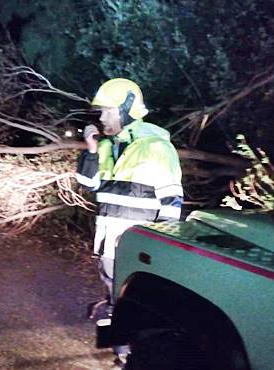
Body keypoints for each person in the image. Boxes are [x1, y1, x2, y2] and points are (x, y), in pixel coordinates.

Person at [76, 78, 183, 367]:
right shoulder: (110, 146)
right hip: (109, 246)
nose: (101, 118)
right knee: (114, 302)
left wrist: (163, 253)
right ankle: (122, 355)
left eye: (106, 111)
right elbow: (87, 183)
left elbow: (172, 204)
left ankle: (140, 357)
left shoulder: (157, 148)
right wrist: (91, 149)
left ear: (125, 109)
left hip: (140, 252)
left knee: (141, 308)